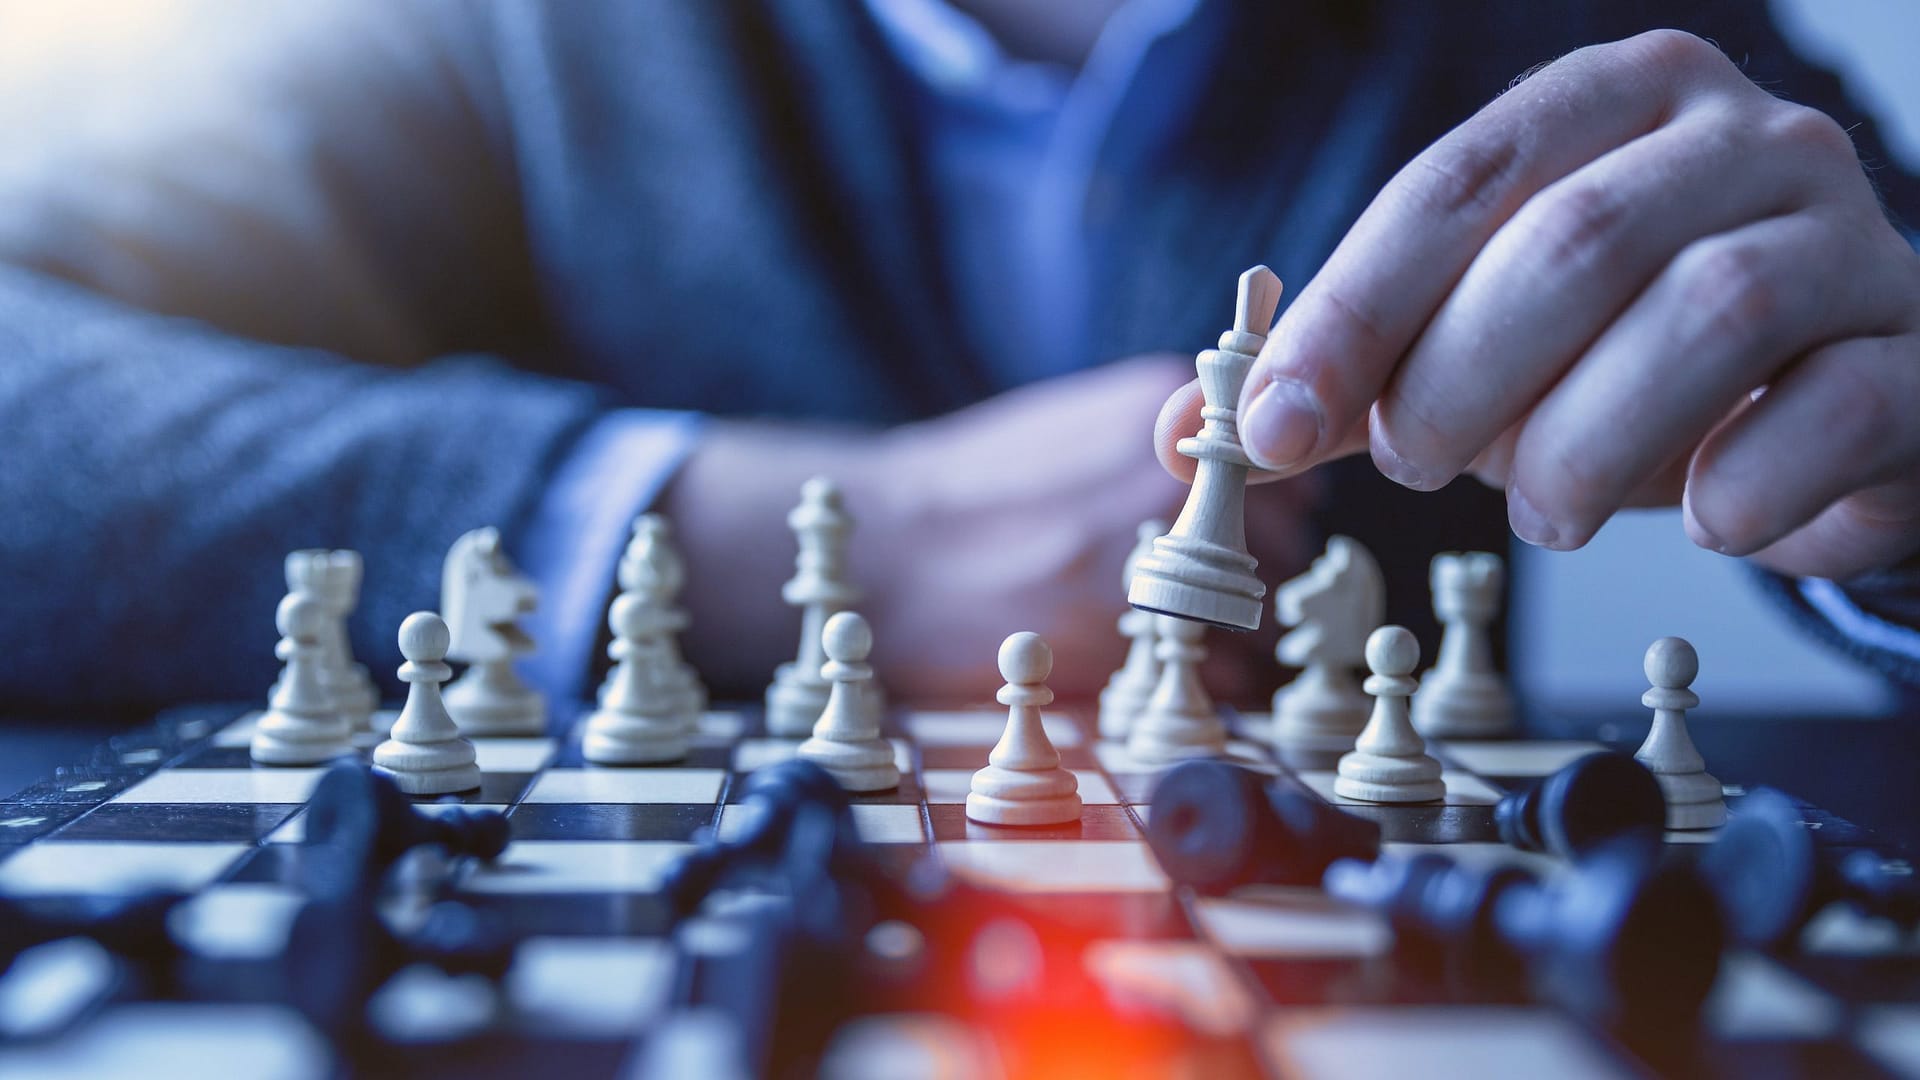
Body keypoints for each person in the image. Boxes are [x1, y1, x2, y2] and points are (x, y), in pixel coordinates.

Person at [0, 0, 1914, 710]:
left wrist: (1907, 507)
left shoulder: (1572, 31)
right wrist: (798, 537)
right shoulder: (468, 38)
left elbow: (1863, 332)